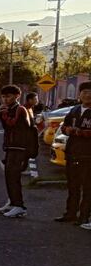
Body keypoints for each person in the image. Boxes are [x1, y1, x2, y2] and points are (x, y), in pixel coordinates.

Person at [54, 81, 91, 228]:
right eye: (84, 92)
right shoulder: (75, 110)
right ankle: (70, 213)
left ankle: (84, 216)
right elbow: (64, 126)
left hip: (88, 156)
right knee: (72, 186)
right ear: (79, 95)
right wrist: (68, 130)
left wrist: (79, 132)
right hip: (72, 153)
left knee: (88, 188)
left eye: (90, 92)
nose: (87, 95)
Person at [0, 85, 31, 218]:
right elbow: (6, 127)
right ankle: (12, 202)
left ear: (17, 96)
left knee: (14, 176)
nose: (5, 99)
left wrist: (4, 114)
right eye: (3, 96)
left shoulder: (20, 109)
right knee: (8, 175)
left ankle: (19, 206)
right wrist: (3, 114)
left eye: (8, 96)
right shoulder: (9, 109)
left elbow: (13, 124)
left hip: (19, 147)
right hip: (11, 147)